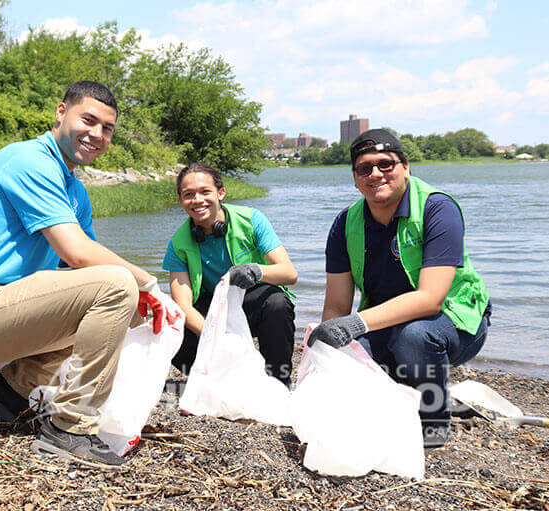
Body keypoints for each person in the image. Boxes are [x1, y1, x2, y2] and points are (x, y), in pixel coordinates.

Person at [0, 81, 175, 466]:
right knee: (119, 286)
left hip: (11, 315)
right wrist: (147, 281)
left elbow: (82, 269)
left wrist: (145, 298)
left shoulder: (76, 192)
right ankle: (70, 429)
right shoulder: (28, 161)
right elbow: (77, 254)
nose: (97, 134)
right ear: (61, 113)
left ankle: (10, 390)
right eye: (89, 120)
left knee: (130, 307)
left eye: (107, 128)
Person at [308, 129, 491, 448]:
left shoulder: (437, 208)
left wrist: (356, 324)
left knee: (414, 337)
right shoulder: (344, 224)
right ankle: (404, 389)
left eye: (386, 164)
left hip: (454, 323)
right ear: (355, 180)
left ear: (406, 168)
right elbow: (337, 307)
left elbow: (430, 300)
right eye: (364, 168)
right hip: (385, 323)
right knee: (345, 359)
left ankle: (434, 421)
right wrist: (325, 348)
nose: (375, 174)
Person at [162, 162, 298, 386]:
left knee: (276, 302)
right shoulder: (178, 243)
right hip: (213, 310)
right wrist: (214, 336)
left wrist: (256, 270)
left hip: (253, 302)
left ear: (221, 193)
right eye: (188, 195)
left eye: (205, 191)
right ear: (180, 200)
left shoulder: (252, 219)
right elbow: (183, 305)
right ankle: (214, 379)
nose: (197, 200)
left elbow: (289, 274)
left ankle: (278, 381)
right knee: (170, 322)